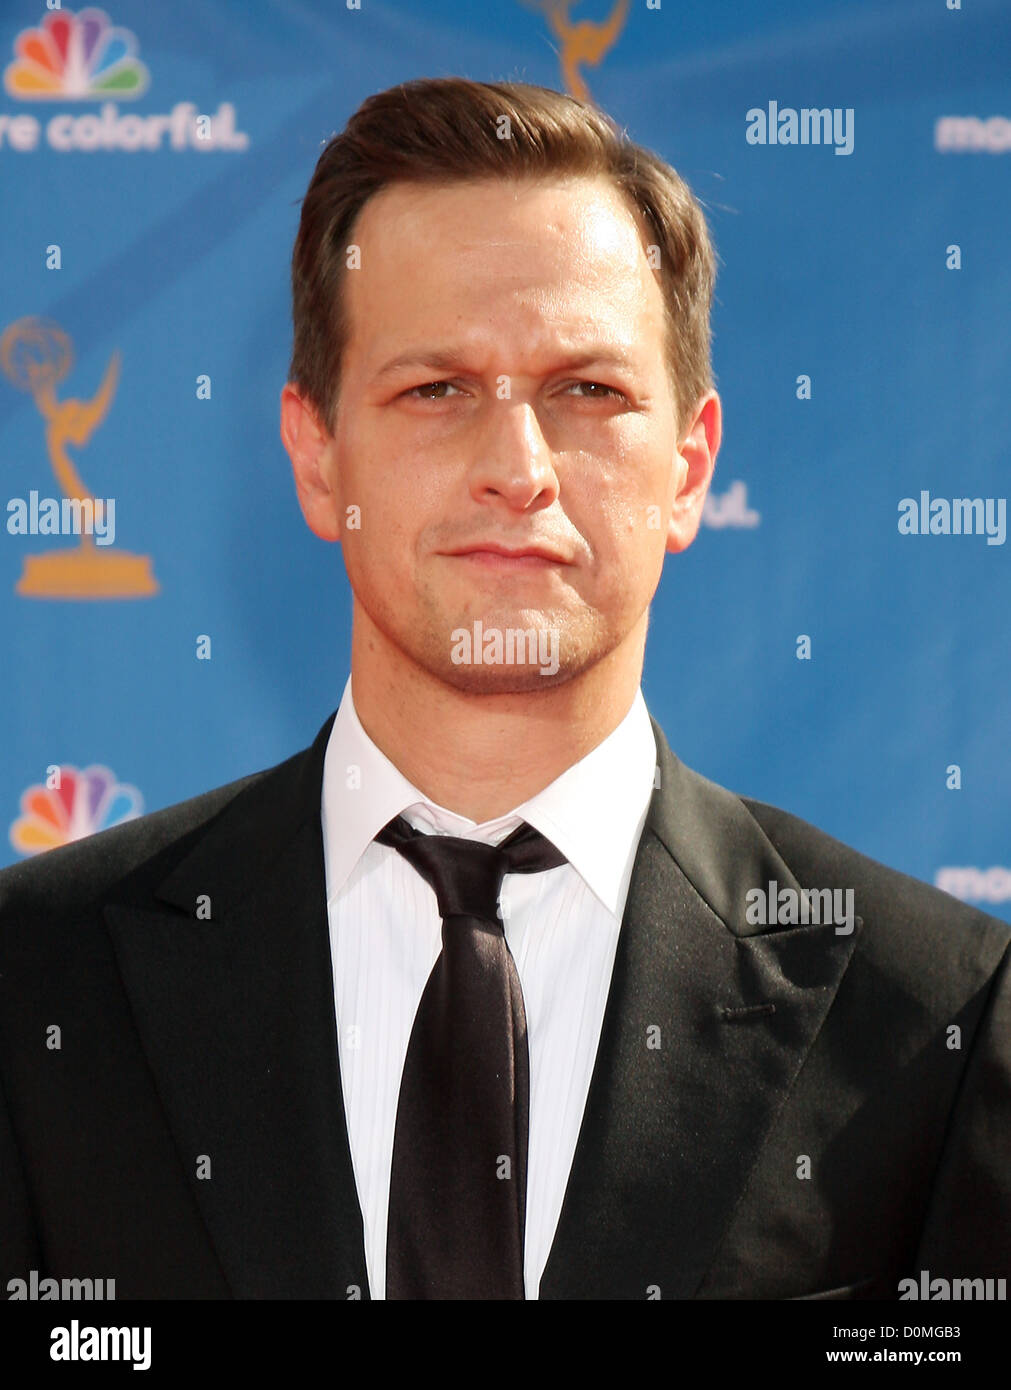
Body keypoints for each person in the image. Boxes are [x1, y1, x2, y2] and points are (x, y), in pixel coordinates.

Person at [1, 77, 1008, 1302]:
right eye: (438, 390)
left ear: (689, 468)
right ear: (317, 454)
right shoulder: (36, 980)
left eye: (587, 391)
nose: (518, 468)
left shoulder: (937, 1013)